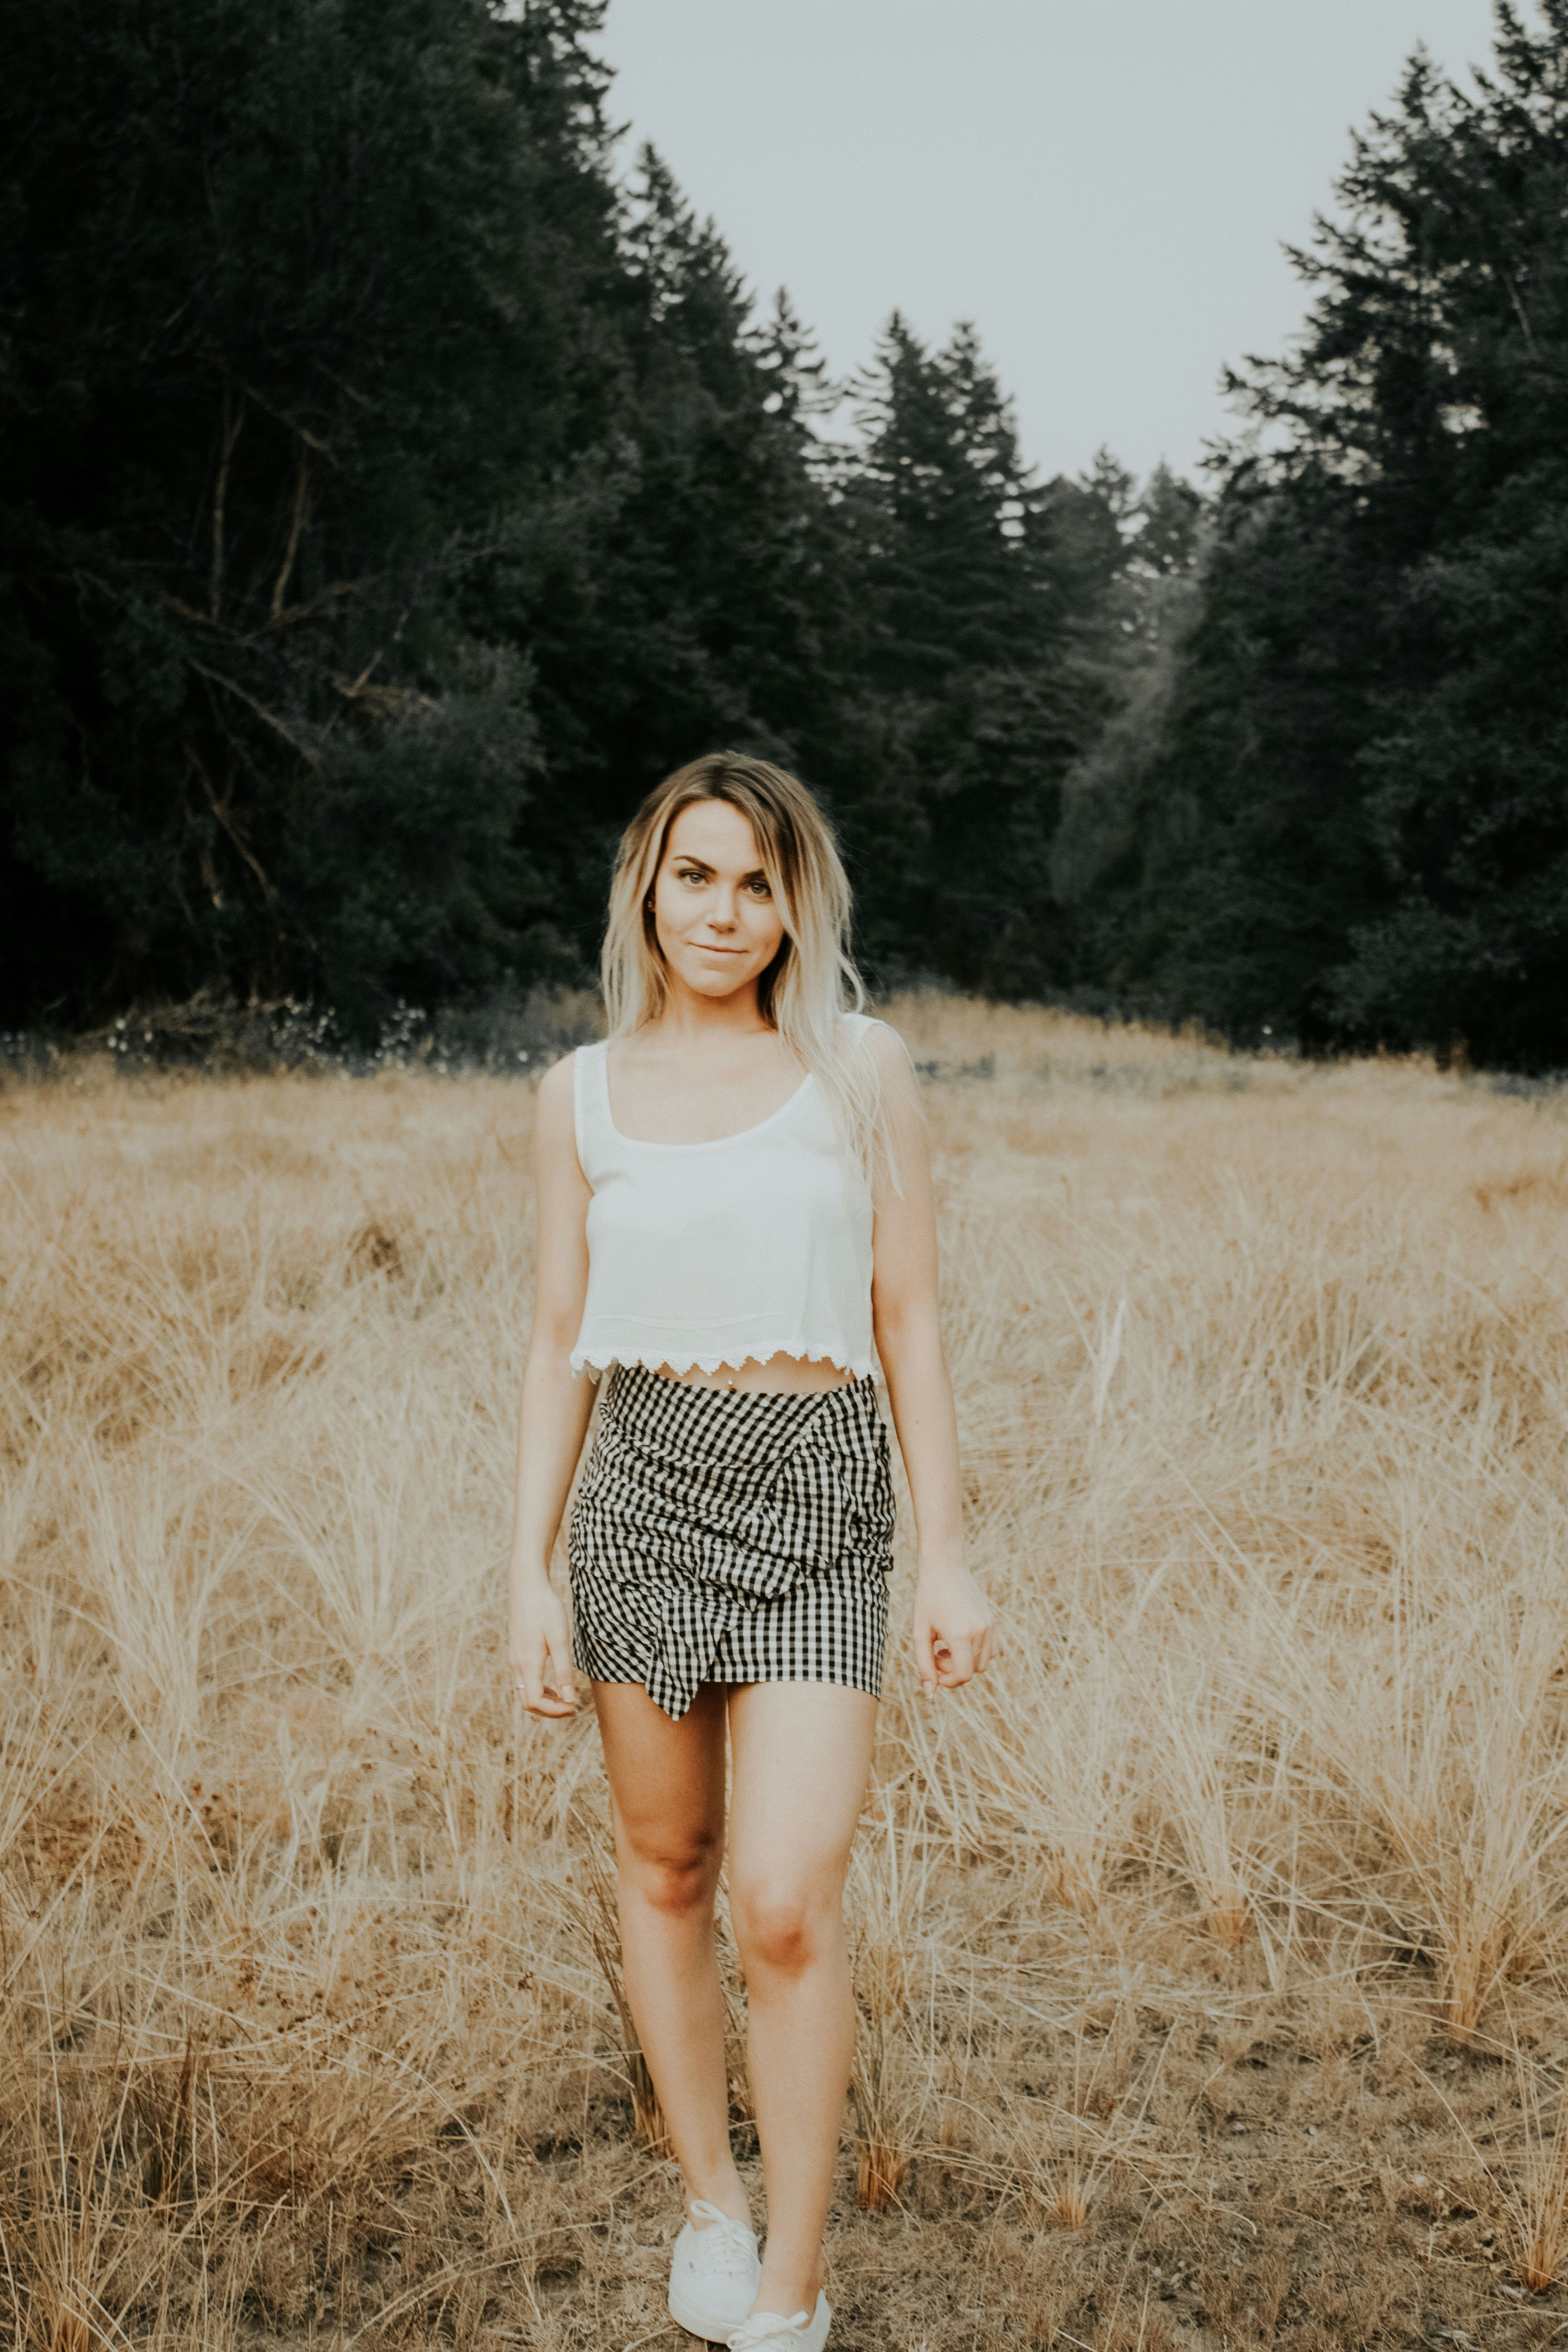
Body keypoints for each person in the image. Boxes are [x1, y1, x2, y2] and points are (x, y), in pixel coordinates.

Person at [508, 752, 993, 2352]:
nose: (723, 912)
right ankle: (712, 2205)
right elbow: (560, 1330)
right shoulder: (576, 1092)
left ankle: (790, 2285)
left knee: (782, 1896)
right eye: (695, 875)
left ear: (799, 903)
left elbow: (910, 1314)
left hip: (821, 1491)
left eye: (756, 882)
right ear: (648, 884)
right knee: (667, 1868)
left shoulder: (861, 1067)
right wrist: (528, 1569)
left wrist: (948, 1553)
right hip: (641, 1492)